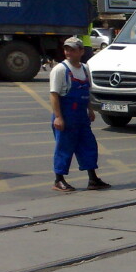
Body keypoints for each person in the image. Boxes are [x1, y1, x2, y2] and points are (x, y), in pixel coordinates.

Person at [49, 37, 110, 192]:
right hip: (66, 115)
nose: (68, 52)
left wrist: (90, 110)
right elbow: (54, 95)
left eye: (72, 49)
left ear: (81, 51)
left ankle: (93, 179)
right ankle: (59, 180)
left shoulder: (84, 68)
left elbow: (87, 91)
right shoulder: (60, 70)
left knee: (88, 146)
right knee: (64, 148)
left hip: (81, 116)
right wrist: (58, 117)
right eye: (66, 49)